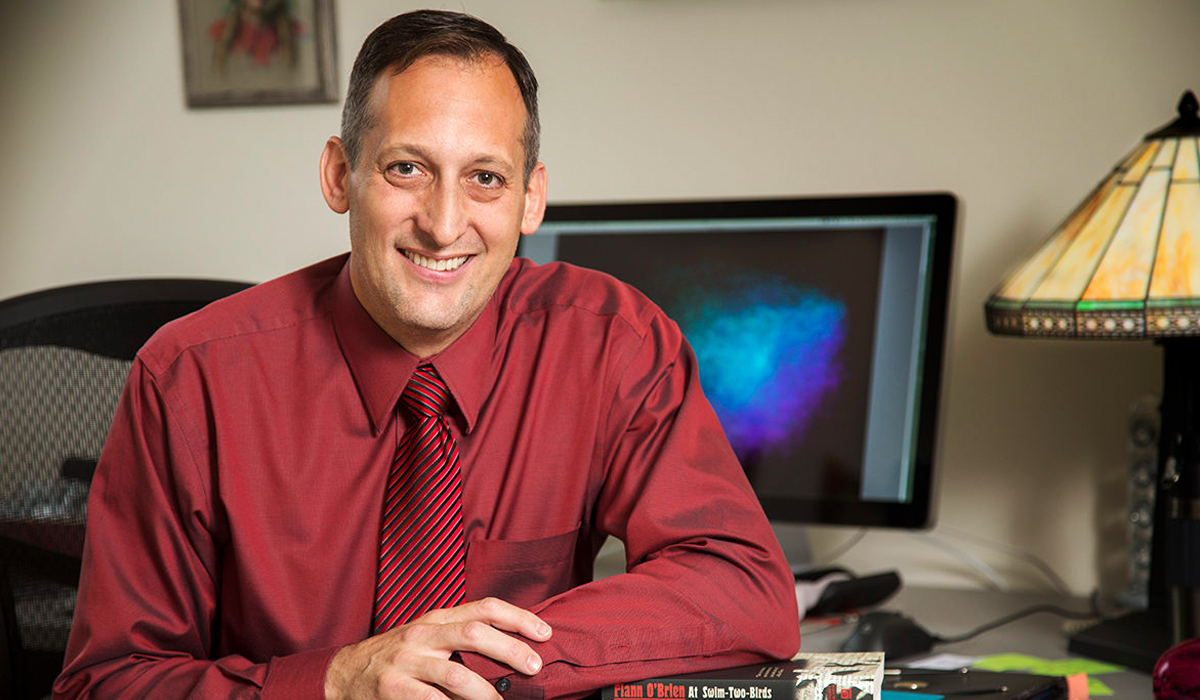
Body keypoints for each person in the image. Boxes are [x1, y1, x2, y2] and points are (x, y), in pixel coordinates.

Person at [54, 9, 799, 700]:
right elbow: (106, 682)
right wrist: (337, 682)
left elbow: (741, 585)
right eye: (406, 168)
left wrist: (468, 661)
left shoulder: (611, 344)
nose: (444, 226)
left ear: (531, 200)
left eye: (485, 178)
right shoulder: (189, 380)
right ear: (340, 175)